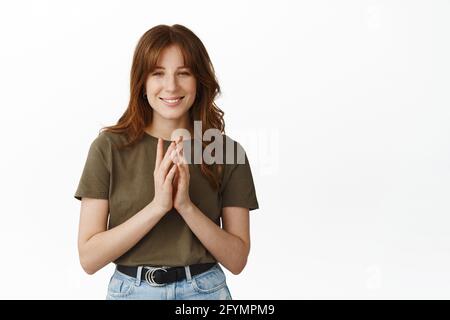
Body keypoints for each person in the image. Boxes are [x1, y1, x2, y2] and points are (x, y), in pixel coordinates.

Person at [74, 24, 259, 300]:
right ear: (142, 83)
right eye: (158, 73)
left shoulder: (227, 152)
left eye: (183, 73)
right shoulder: (108, 149)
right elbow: (89, 258)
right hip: (130, 291)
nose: (171, 86)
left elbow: (237, 259)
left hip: (204, 292)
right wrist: (158, 207)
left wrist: (185, 206)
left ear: (199, 80)